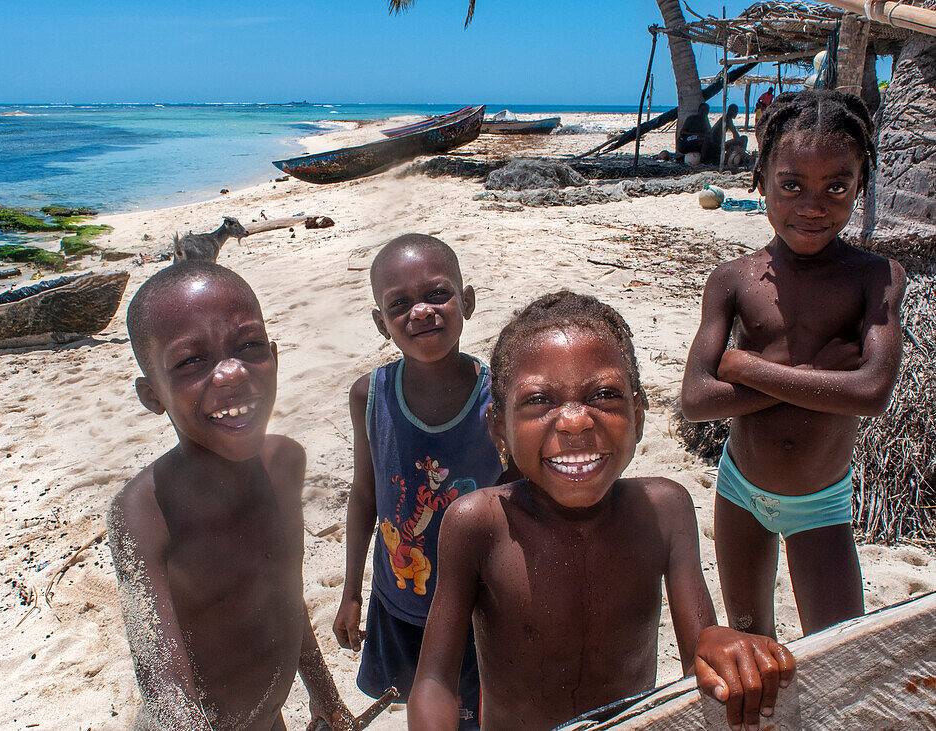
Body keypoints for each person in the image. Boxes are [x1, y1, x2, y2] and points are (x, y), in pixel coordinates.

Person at [409, 291, 796, 731]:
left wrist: (719, 644)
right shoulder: (477, 524)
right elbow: (435, 680)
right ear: (499, 428)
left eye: (604, 395)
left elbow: (698, 652)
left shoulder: (664, 510)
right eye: (539, 400)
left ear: (638, 414)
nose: (575, 421)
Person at [681, 89, 906, 640]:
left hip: (821, 503)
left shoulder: (875, 277)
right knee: (751, 645)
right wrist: (821, 377)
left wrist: (745, 365)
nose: (813, 204)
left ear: (860, 186)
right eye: (791, 185)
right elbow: (695, 401)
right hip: (739, 491)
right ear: (759, 181)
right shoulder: (732, 280)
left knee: (837, 653)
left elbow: (873, 393)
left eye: (837, 185)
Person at [108, 262, 354, 731]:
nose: (231, 373)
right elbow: (165, 693)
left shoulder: (286, 463)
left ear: (275, 356)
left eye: (248, 345)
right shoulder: (141, 513)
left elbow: (283, 594)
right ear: (151, 395)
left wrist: (324, 695)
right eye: (190, 361)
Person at [332, 234, 507, 730]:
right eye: (399, 303)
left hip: (483, 606)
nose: (421, 311)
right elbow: (365, 495)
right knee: (423, 708)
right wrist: (350, 591)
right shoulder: (370, 395)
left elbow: (519, 496)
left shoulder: (499, 396)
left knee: (480, 713)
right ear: (380, 323)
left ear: (466, 302)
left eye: (437, 294)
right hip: (402, 599)